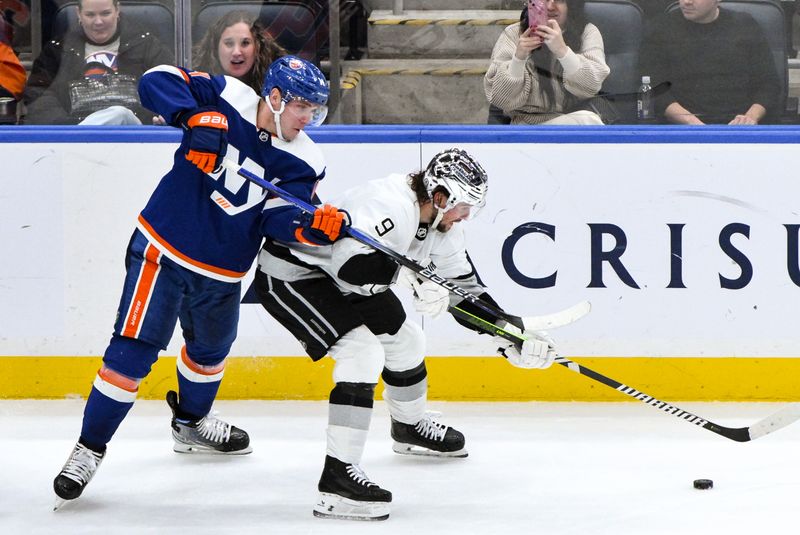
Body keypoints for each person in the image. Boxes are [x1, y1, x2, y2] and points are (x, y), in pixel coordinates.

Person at [52, 55, 346, 509]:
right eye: (302, 106)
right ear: (275, 96)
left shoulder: (307, 157)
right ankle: (88, 449)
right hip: (163, 249)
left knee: (209, 355)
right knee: (132, 353)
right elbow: (155, 78)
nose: (308, 118)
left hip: (224, 272)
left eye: (315, 109)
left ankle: (190, 423)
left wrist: (312, 228)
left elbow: (277, 217)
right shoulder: (228, 95)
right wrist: (195, 115)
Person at [253, 148, 558, 521]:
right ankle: (336, 482)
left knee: (407, 341)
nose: (466, 216)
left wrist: (510, 333)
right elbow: (351, 269)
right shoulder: (390, 204)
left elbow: (467, 294)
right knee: (362, 352)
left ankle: (408, 427)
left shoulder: (444, 228)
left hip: (344, 278)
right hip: (294, 273)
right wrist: (409, 275)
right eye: (465, 206)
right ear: (442, 196)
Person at [22, 0, 174, 125]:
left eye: (105, 13)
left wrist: (155, 118)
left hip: (135, 132)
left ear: (117, 10)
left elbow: (168, 88)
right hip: (73, 134)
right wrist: (65, 125)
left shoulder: (148, 46)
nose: (98, 21)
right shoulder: (57, 50)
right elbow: (38, 93)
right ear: (78, 14)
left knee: (119, 113)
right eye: (90, 15)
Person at [639, 0, 781, 125]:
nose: (686, 2)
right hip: (683, 127)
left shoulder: (745, 26)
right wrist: (693, 123)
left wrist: (750, 118)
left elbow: (768, 84)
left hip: (738, 124)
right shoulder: (661, 29)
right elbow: (655, 89)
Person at [484, 0, 610, 125]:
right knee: (587, 122)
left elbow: (592, 85)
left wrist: (562, 51)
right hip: (525, 130)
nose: (550, 6)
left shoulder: (587, 32)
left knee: (587, 120)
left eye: (560, 1)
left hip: (570, 120)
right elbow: (500, 99)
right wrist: (518, 58)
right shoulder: (513, 33)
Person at [192, 10, 287, 94]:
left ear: (257, 47)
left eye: (245, 43)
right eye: (229, 43)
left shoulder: (278, 87)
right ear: (216, 48)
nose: (236, 52)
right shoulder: (196, 87)